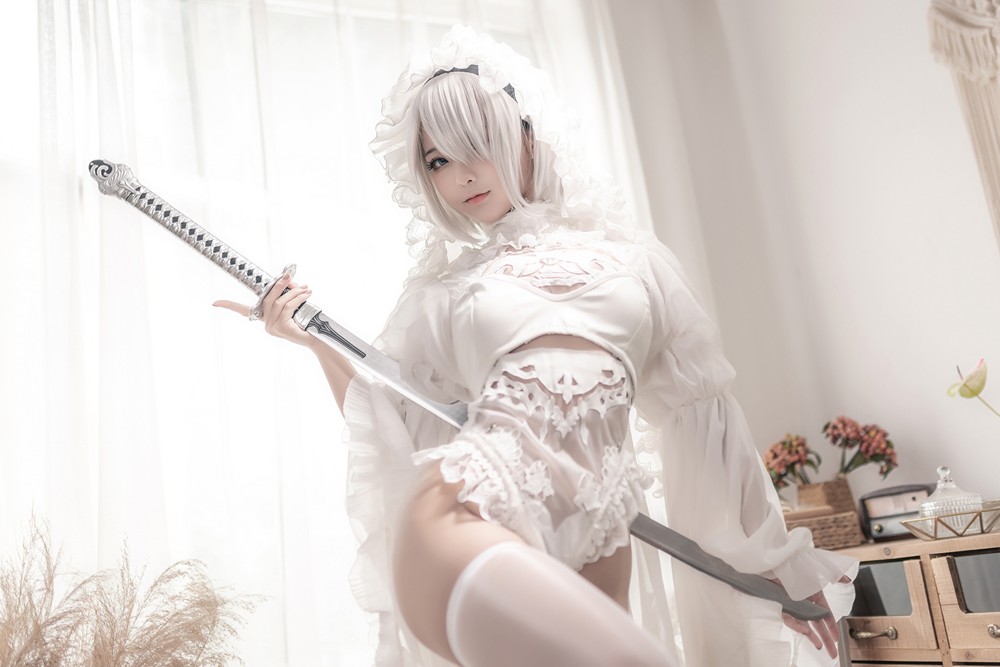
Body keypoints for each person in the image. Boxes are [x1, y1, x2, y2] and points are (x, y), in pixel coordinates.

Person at [215, 25, 857, 667]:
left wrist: (772, 566)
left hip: (603, 541)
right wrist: (313, 341)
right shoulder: (444, 293)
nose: (461, 175)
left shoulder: (637, 264)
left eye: (475, 145)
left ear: (527, 132)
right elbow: (393, 419)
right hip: (464, 518)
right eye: (438, 161)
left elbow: (705, 423)